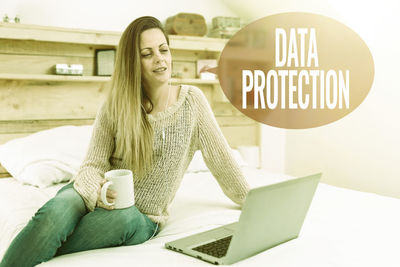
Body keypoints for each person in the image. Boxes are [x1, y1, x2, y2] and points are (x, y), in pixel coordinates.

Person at [0, 16, 250, 267]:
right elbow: (91, 165)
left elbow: (222, 162)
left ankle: (37, 248)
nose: (160, 59)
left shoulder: (192, 102)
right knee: (58, 209)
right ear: (133, 61)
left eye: (163, 50)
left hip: (140, 218)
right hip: (91, 197)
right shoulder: (115, 106)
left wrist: (255, 203)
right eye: (147, 53)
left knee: (122, 218)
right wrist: (98, 191)